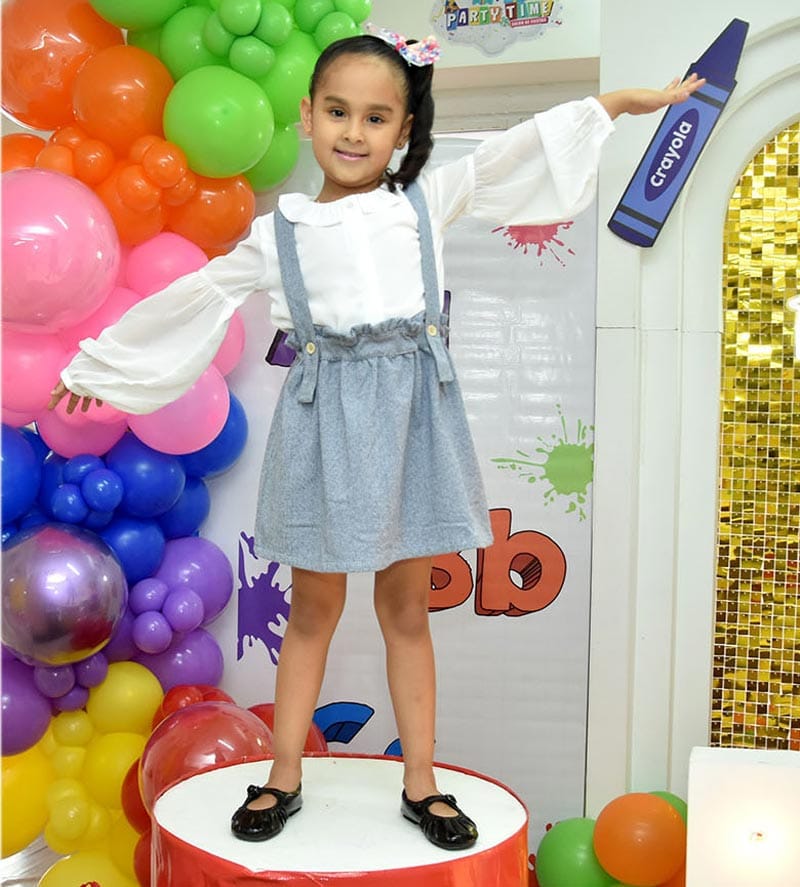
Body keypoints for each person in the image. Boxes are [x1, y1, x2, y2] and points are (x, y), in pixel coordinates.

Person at [50, 25, 705, 851]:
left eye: (375, 117)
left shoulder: (427, 199)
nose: (353, 132)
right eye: (337, 112)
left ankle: (420, 779)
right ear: (306, 116)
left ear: (403, 128)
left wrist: (618, 103)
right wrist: (104, 366)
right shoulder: (279, 232)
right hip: (324, 426)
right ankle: (284, 772)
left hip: (411, 423)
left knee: (405, 607)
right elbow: (197, 299)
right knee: (314, 608)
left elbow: (521, 150)